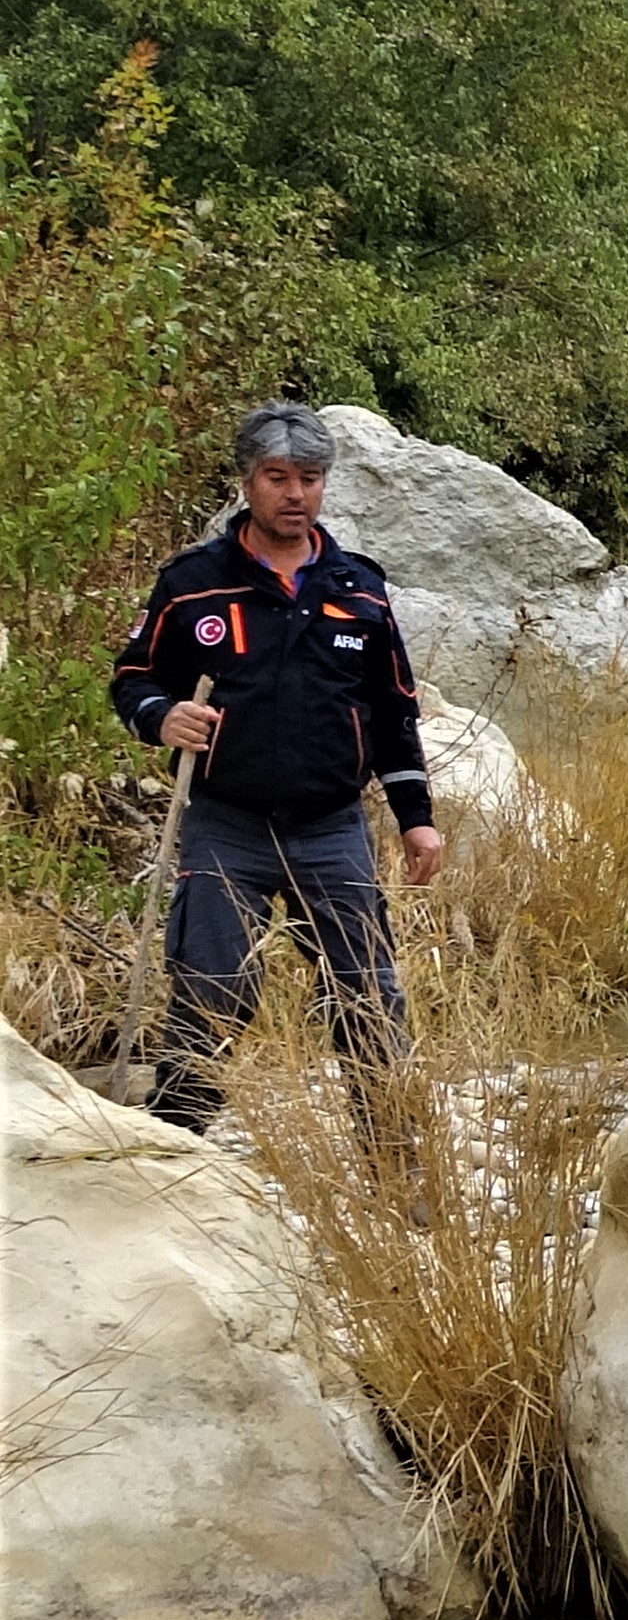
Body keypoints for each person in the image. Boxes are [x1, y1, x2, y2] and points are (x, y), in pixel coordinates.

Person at [110, 401, 446, 1131]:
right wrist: (161, 716)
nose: (295, 494)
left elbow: (393, 712)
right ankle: (174, 1147)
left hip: (331, 829)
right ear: (246, 481)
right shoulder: (193, 582)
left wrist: (416, 820)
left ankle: (393, 1157)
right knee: (212, 989)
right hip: (226, 825)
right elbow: (133, 678)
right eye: (277, 477)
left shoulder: (359, 588)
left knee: (366, 997)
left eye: (310, 479)